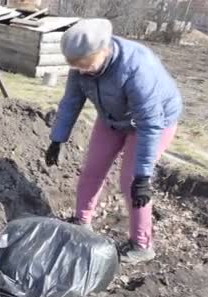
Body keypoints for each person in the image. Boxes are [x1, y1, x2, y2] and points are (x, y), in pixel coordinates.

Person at [44, 19, 183, 264]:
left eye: (87, 65)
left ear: (104, 50)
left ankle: (141, 244)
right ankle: (82, 221)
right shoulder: (81, 65)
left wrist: (143, 176)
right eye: (78, 67)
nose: (83, 71)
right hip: (112, 117)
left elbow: (151, 123)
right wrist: (57, 139)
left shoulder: (136, 68)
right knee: (92, 169)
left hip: (153, 122)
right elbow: (71, 102)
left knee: (130, 181)